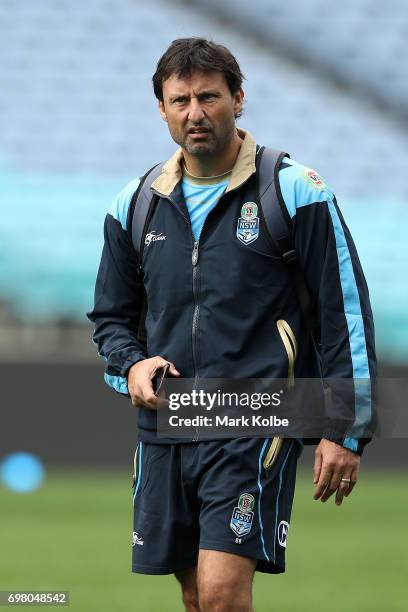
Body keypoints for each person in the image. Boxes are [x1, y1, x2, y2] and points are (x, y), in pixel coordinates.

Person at [87, 38, 376, 612]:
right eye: (180, 100)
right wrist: (133, 364)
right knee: (196, 595)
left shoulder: (294, 190)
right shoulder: (135, 204)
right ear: (162, 109)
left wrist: (344, 428)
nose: (195, 112)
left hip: (258, 417)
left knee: (220, 592)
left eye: (209, 97)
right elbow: (110, 321)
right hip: (168, 423)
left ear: (238, 99)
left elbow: (344, 313)